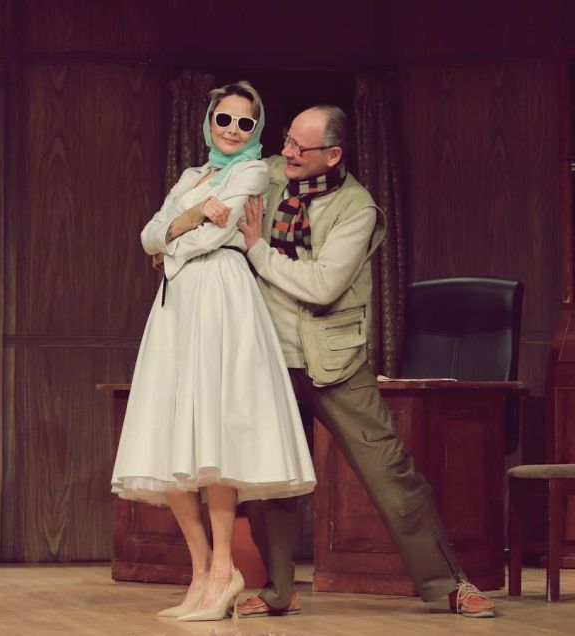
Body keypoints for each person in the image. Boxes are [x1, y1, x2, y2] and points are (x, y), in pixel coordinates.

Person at [234, 105, 496, 619]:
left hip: (333, 360)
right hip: (266, 356)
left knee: (389, 472)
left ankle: (450, 583)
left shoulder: (357, 209)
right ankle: (278, 590)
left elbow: (323, 286)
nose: (286, 152)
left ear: (333, 155)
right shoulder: (268, 176)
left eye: (299, 147)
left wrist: (257, 250)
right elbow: (211, 194)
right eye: (287, 140)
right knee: (269, 479)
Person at [110, 82, 316, 622]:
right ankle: (201, 570)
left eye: (246, 123)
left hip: (221, 295)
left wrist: (175, 238)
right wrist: (189, 217)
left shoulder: (252, 173)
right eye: (224, 119)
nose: (233, 130)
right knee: (172, 432)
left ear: (256, 130)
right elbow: (147, 235)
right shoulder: (190, 178)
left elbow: (211, 239)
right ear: (209, 120)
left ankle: (226, 569)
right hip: (177, 304)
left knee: (215, 432)